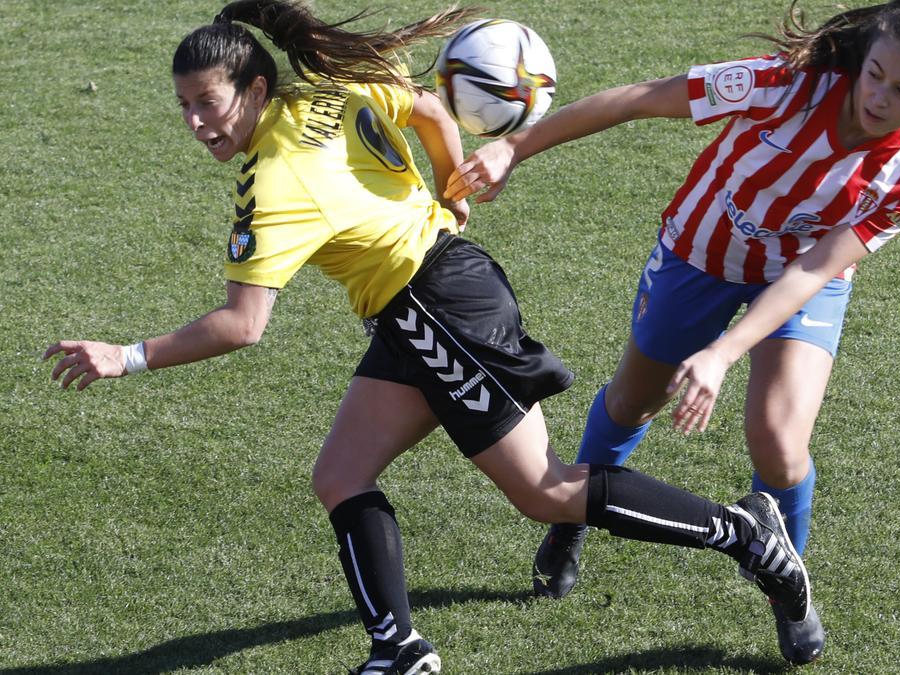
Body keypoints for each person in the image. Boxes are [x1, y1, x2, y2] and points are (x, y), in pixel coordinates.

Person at [42, 1, 814, 672]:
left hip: (439, 310)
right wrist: (450, 185)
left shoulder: (275, 183)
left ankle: (745, 534)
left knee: (543, 491)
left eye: (208, 102)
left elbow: (244, 326)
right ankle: (399, 649)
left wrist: (127, 355)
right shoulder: (328, 87)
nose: (196, 122)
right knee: (341, 473)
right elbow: (429, 109)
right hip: (421, 301)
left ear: (253, 88)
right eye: (183, 106)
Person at [445, 0, 900, 664]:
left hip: (801, 282)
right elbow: (638, 101)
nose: (878, 96)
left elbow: (815, 267)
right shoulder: (781, 84)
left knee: (779, 444)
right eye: (874, 74)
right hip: (698, 254)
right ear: (863, 59)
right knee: (632, 403)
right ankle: (571, 523)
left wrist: (724, 351)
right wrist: (514, 144)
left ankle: (785, 585)